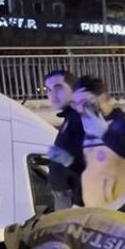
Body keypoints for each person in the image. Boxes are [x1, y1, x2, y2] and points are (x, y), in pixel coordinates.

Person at [72, 75, 125, 210]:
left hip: (124, 209)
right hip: (96, 210)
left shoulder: (122, 123)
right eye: (77, 104)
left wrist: (105, 133)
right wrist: (77, 204)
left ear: (101, 98)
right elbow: (87, 168)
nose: (80, 109)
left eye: (84, 102)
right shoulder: (86, 127)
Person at [43, 69, 86, 210]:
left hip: (72, 201)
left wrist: (78, 203)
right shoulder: (70, 119)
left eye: (58, 88)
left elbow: (90, 166)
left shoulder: (81, 119)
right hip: (65, 199)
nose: (52, 95)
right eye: (48, 90)